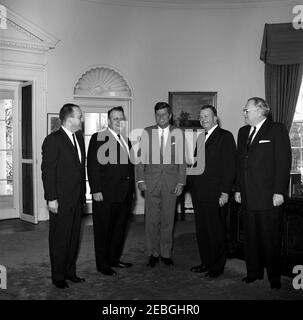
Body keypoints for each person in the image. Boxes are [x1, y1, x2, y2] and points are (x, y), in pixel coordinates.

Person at [235, 97, 291, 290]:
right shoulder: (242, 132)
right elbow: (239, 164)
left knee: (271, 239)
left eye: (247, 110)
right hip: (248, 197)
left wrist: (279, 191)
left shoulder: (276, 129)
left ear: (260, 110)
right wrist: (238, 189)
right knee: (251, 238)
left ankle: (274, 278)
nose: (244, 113)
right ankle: (253, 272)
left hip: (269, 197)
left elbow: (283, 162)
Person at [188, 105, 236, 278]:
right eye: (201, 117)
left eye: (207, 116)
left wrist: (225, 192)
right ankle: (206, 262)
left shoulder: (226, 136)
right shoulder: (201, 137)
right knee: (202, 231)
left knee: (216, 231)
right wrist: (185, 182)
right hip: (199, 193)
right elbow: (195, 165)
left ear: (215, 118)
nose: (203, 119)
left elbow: (230, 167)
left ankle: (217, 266)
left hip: (216, 194)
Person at [136, 102, 187, 267]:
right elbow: (139, 159)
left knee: (168, 219)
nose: (161, 118)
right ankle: (153, 253)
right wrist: (141, 180)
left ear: (170, 115)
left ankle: (165, 253)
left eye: (164, 114)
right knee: (151, 219)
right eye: (158, 115)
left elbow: (182, 160)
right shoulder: (147, 132)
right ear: (155, 115)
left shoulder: (178, 133)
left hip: (171, 183)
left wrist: (181, 181)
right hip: (151, 183)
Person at [41, 103, 86, 289]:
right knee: (60, 238)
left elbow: (78, 170)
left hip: (77, 199)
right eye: (79, 116)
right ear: (69, 118)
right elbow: (48, 172)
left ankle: (70, 272)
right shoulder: (53, 140)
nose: (81, 119)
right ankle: (58, 276)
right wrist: (51, 198)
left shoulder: (79, 139)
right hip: (60, 200)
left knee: (74, 237)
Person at [87, 106, 134, 276]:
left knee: (119, 229)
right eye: (115, 118)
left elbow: (129, 169)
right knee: (103, 230)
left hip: (124, 195)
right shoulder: (98, 138)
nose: (119, 121)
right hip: (105, 194)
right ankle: (103, 264)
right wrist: (96, 190)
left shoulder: (126, 140)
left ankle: (114, 259)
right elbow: (92, 166)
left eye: (121, 118)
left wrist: (132, 191)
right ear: (108, 121)